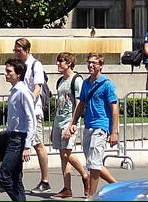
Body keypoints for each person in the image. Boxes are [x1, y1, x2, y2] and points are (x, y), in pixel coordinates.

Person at [65, 53, 121, 198]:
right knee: (92, 163)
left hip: (101, 126)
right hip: (88, 126)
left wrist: (114, 132)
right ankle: (116, 185)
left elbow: (114, 108)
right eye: (89, 62)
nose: (91, 65)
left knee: (94, 164)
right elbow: (81, 103)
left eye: (94, 63)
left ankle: (91, 196)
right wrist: (73, 122)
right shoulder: (85, 83)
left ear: (101, 66)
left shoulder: (107, 84)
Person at [13, 37, 53, 192]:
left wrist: (28, 103)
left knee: (37, 144)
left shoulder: (35, 65)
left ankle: (45, 180)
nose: (17, 53)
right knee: (17, 142)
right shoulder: (19, 65)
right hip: (20, 112)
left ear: (27, 50)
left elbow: (38, 88)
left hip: (33, 111)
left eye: (19, 50)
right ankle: (12, 177)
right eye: (15, 50)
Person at [50, 53, 88, 198]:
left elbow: (79, 102)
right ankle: (67, 188)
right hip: (59, 120)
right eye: (58, 61)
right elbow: (58, 104)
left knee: (67, 153)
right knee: (63, 155)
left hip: (69, 121)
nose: (58, 64)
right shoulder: (60, 81)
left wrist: (73, 123)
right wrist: (54, 124)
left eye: (61, 61)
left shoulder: (76, 80)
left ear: (69, 63)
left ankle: (85, 176)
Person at [0, 58, 33, 202]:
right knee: (16, 178)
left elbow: (31, 119)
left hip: (19, 138)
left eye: (9, 71)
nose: (6, 74)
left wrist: (27, 145)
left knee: (5, 175)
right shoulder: (14, 91)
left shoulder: (23, 92)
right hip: (13, 135)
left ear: (18, 73)